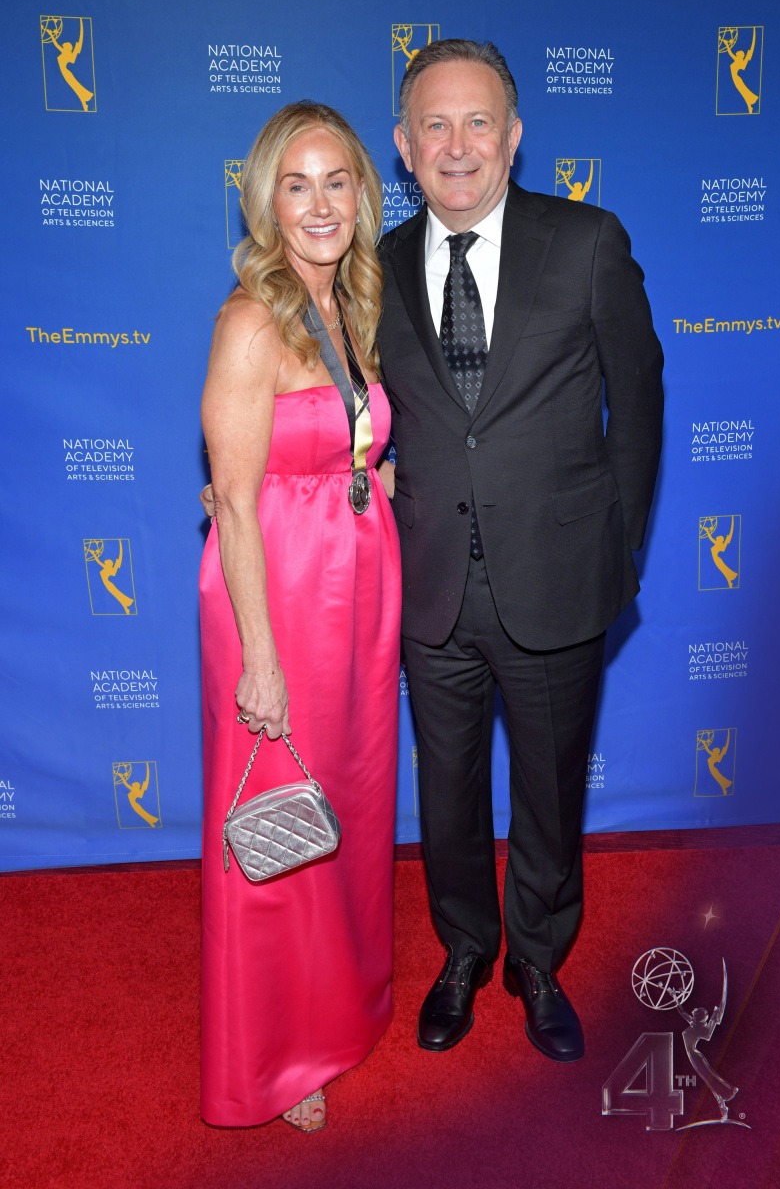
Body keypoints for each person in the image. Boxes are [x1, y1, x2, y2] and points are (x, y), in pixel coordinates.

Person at [378, 39, 663, 1061]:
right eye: (435, 125)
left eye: (478, 122)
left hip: (556, 577)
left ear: (514, 137)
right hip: (428, 587)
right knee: (446, 791)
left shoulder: (584, 242)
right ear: (404, 145)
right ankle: (464, 949)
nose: (457, 146)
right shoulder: (374, 266)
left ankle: (537, 960)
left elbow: (638, 402)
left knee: (549, 788)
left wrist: (615, 553)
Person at [199, 101, 400, 1132]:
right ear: (266, 202)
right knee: (277, 816)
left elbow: (348, 447)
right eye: (296, 184)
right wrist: (261, 660)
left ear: (362, 194)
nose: (320, 205)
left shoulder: (353, 304)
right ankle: (277, 1057)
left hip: (355, 589)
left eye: (337, 181)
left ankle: (340, 1005)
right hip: (275, 598)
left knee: (345, 804)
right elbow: (235, 502)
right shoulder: (251, 322)